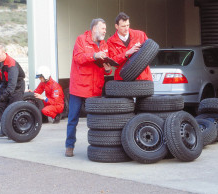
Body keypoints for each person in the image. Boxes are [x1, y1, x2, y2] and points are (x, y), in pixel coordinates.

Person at [65, 18, 112, 157]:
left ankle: (98, 146)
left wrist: (108, 70)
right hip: (79, 87)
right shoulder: (81, 40)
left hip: (95, 88)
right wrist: (93, 55)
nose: (105, 31)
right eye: (103, 28)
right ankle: (69, 146)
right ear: (94, 29)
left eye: (105, 28)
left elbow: (103, 69)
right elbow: (78, 58)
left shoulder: (104, 45)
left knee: (97, 121)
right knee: (73, 119)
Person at [107, 12, 153, 81]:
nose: (126, 28)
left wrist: (141, 50)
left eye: (127, 25)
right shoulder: (111, 41)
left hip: (143, 77)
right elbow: (113, 62)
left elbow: (150, 51)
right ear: (116, 26)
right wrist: (127, 53)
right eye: (123, 26)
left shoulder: (140, 34)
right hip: (123, 78)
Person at [0, 45, 26, 137]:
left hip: (17, 86)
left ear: (4, 53)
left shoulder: (12, 64)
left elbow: (12, 86)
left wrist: (3, 97)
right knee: (0, 107)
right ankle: (4, 130)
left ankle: (14, 132)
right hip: (5, 84)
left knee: (13, 108)